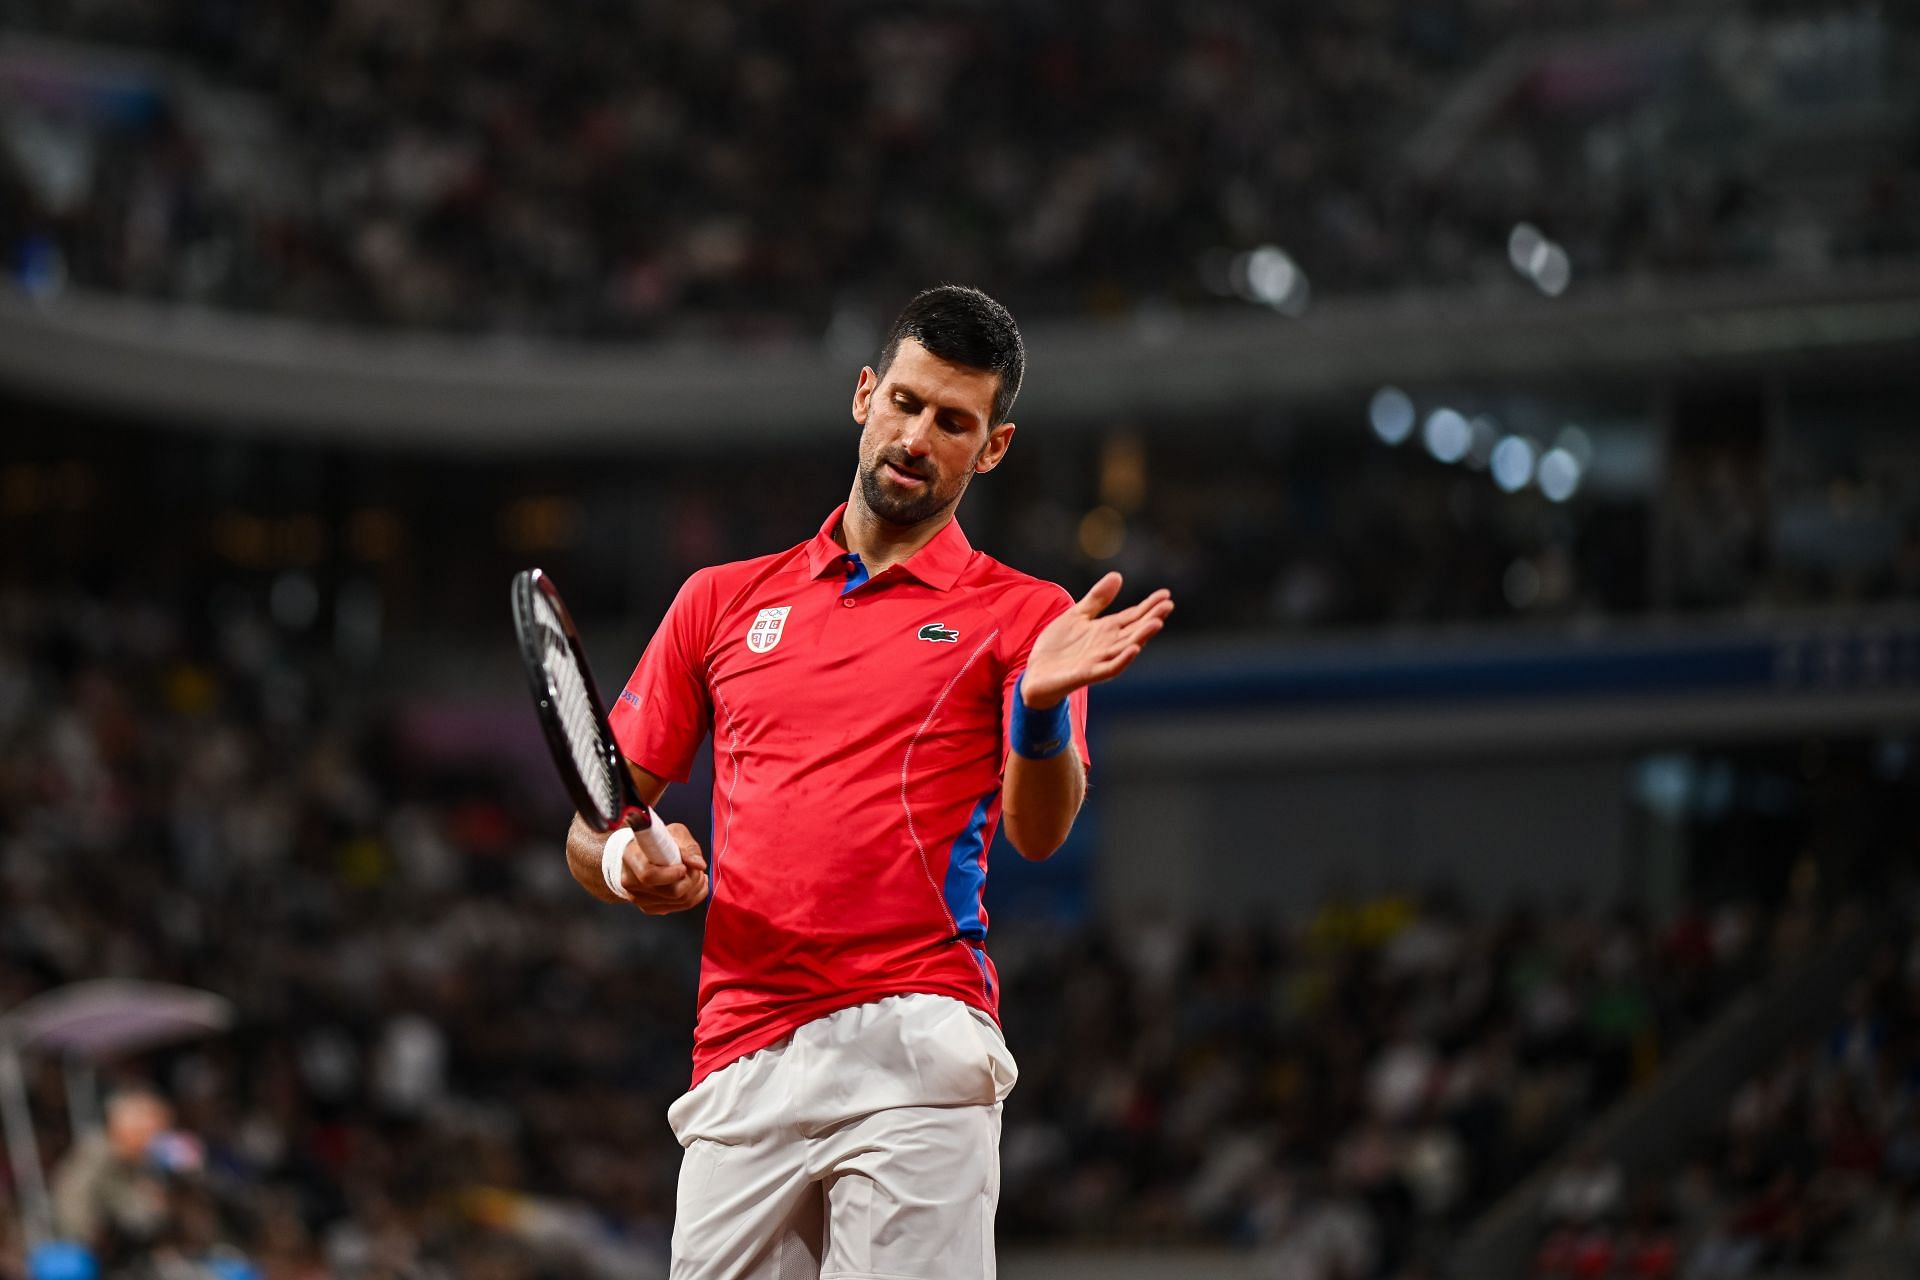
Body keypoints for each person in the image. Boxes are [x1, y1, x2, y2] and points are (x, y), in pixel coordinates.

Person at [563, 284, 1173, 1279]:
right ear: (864, 395)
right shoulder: (718, 601)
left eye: (953, 420)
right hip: (740, 1049)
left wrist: (1041, 709)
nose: (918, 435)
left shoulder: (1028, 614)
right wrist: (634, 864)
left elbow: (1039, 831)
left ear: (994, 446)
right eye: (905, 402)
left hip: (917, 1036)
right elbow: (593, 825)